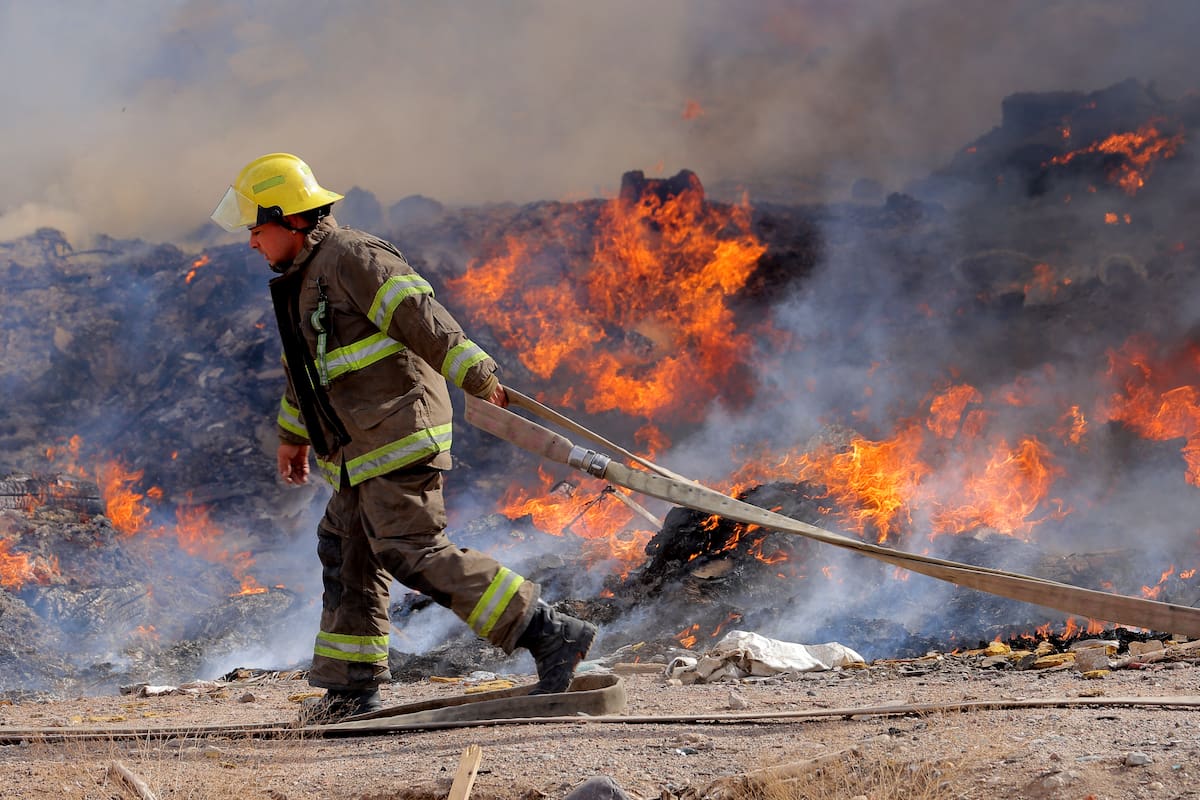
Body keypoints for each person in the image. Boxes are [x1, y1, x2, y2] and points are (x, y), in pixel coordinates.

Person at [211, 153, 596, 722]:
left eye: (255, 228)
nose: (250, 243)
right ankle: (350, 689)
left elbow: (421, 315)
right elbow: (308, 372)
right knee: (347, 552)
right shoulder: (302, 280)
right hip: (353, 449)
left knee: (410, 549)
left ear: (289, 218)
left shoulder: (353, 257)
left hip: (396, 432)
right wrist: (292, 436)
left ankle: (546, 630)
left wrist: (477, 374)